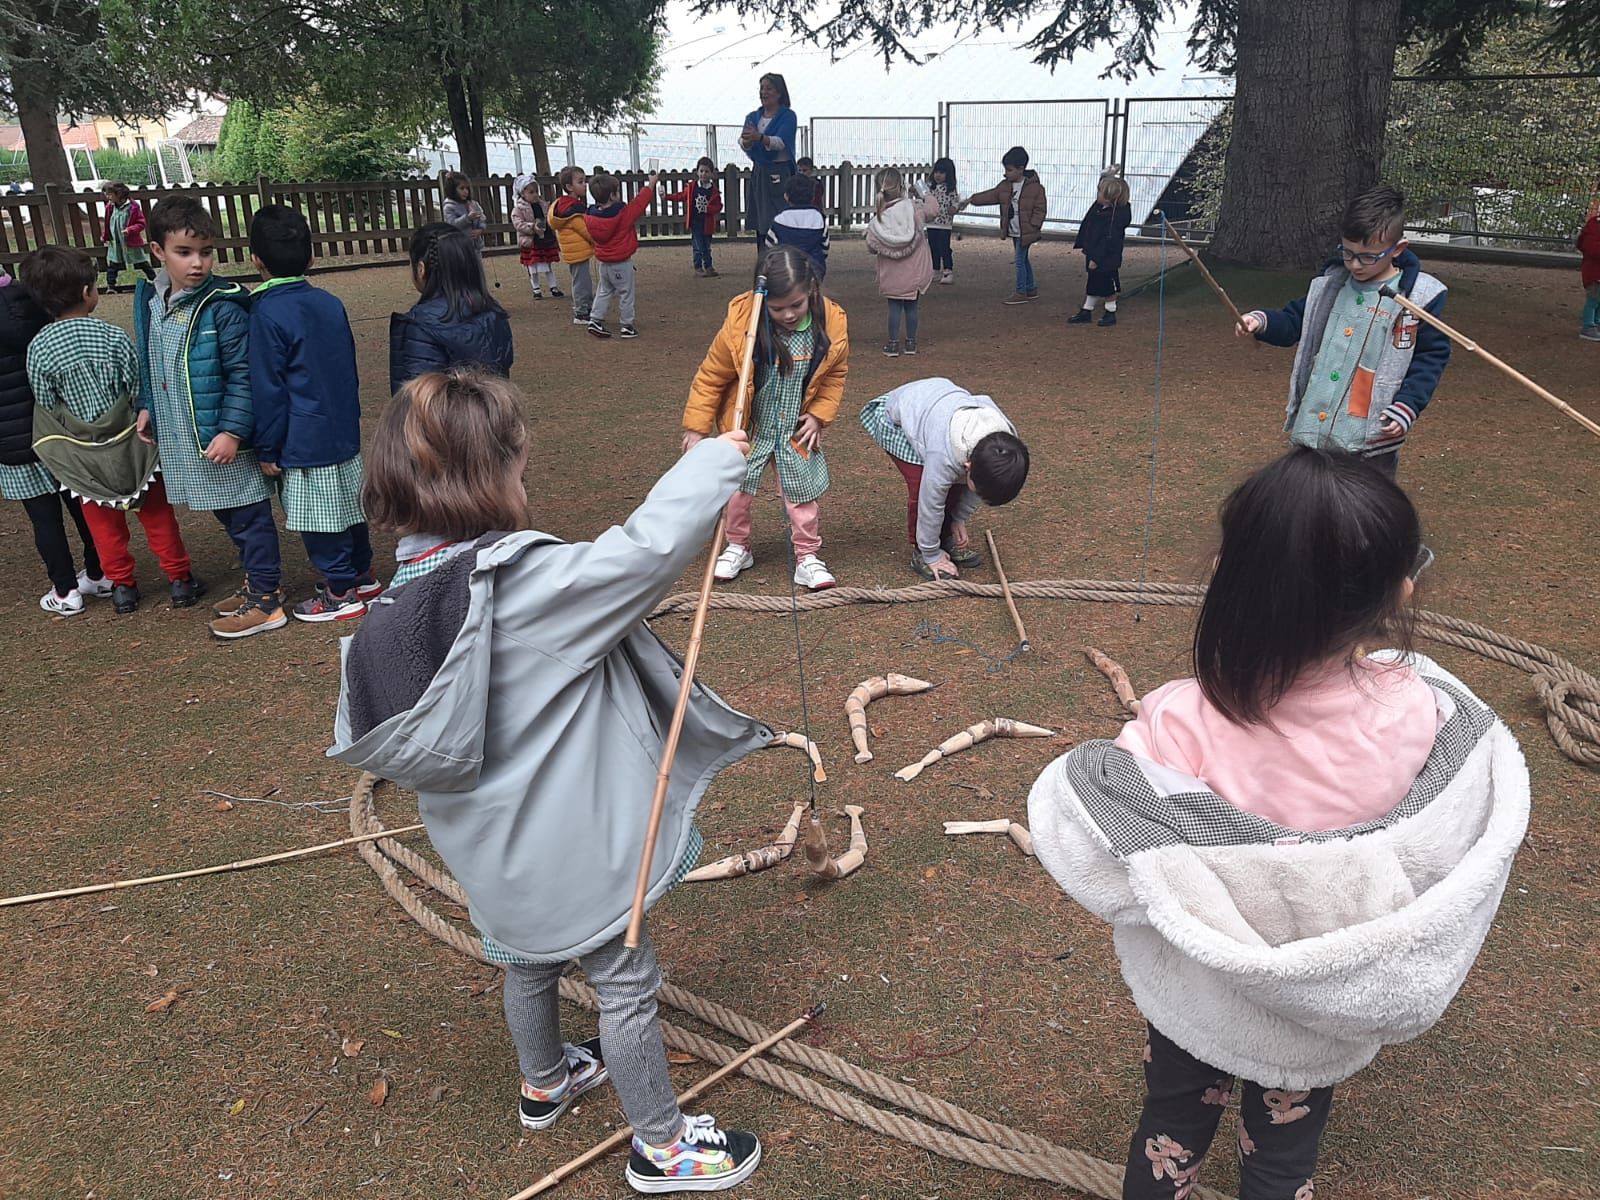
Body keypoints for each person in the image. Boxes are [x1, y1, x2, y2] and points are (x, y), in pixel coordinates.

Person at [1025, 447, 1528, 1200]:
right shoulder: (1420, 712)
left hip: (1204, 994)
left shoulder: (1179, 722)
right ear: (1400, 590)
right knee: (1285, 1154)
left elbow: (1107, 846)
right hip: (1318, 1002)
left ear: (1229, 570)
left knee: (1171, 1126)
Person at [329, 368, 766, 1195]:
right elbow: (638, 558)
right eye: (519, 466)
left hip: (488, 857)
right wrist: (712, 465)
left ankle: (545, 1080)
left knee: (523, 959)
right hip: (571, 854)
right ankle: (662, 1147)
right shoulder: (513, 586)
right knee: (626, 981)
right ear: (492, 475)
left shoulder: (389, 612)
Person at [134, 196, 284, 639]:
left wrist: (234, 431)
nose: (197, 264)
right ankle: (254, 581)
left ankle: (267, 598)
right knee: (226, 514)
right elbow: (153, 359)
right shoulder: (153, 299)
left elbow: (244, 374)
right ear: (158, 251)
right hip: (187, 435)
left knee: (248, 516)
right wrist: (148, 404)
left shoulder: (221, 306)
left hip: (222, 438)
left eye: (205, 252)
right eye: (184, 252)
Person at [22, 246, 198, 618]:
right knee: (157, 515)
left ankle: (122, 587)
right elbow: (136, 389)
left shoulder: (38, 348)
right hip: (133, 444)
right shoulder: (112, 337)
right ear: (88, 292)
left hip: (83, 455)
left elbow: (46, 401)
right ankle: (179, 578)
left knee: (104, 525)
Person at [1237, 184, 1449, 478]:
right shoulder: (1329, 287)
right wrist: (1260, 322)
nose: (1354, 264)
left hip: (1371, 438)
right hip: (1313, 431)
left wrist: (1407, 406)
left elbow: (1430, 357)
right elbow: (1293, 321)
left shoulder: (1419, 298)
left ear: (1397, 249)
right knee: (1307, 506)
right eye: (1347, 253)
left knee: (1364, 514)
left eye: (1368, 256)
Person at [681, 244, 847, 592]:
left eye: (796, 305)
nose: (787, 314)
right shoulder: (742, 327)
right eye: (777, 308)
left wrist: (818, 416)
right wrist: (697, 428)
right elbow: (711, 377)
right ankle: (738, 546)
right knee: (737, 493)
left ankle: (807, 557)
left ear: (812, 291)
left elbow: (834, 375)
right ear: (762, 300)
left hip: (795, 429)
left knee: (802, 496)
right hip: (749, 428)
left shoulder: (830, 324)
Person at [246, 205, 384, 623]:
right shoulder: (328, 302)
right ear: (311, 257)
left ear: (256, 259)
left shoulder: (266, 312)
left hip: (302, 438)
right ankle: (362, 574)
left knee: (319, 517)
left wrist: (267, 447)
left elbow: (268, 389)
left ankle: (339, 589)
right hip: (341, 425)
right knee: (347, 505)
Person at [0, 264, 110, 617]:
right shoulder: (31, 297)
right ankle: (100, 571)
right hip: (57, 428)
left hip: (12, 438)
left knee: (43, 519)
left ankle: (65, 591)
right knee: (80, 504)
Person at [858, 377, 1028, 579]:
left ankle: (945, 536)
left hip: (938, 403)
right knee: (923, 484)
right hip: (900, 415)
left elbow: (978, 487)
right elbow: (930, 503)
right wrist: (932, 555)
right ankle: (924, 552)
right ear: (968, 466)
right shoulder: (943, 455)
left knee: (955, 484)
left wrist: (958, 519)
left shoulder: (1005, 441)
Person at [390, 223, 513, 393]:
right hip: (491, 416)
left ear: (420, 269)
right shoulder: (493, 314)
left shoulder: (421, 325)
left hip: (443, 417)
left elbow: (418, 398)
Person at [865, 167, 939, 358]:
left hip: (891, 274)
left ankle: (892, 343)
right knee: (912, 306)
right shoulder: (914, 208)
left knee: (894, 307)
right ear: (902, 186)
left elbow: (872, 247)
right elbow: (933, 211)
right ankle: (911, 343)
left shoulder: (878, 219)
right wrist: (926, 193)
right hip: (914, 271)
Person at [962, 146, 1047, 305]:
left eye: (1009, 170)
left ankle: (1021, 291)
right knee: (1023, 258)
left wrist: (1034, 225)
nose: (1006, 173)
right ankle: (1030, 287)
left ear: (1021, 169)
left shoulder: (1035, 188)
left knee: (1020, 260)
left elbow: (1040, 209)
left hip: (1025, 230)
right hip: (1016, 230)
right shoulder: (1006, 186)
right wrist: (972, 200)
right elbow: (990, 195)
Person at [585, 170, 659, 340]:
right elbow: (640, 203)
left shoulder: (590, 216)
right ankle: (627, 325)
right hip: (621, 262)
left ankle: (595, 319)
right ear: (612, 195)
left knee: (604, 291)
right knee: (626, 293)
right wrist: (651, 184)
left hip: (603, 263)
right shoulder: (622, 214)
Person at [1068, 170, 1132, 326]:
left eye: (1100, 192)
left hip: (1105, 257)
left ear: (1110, 197)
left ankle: (1110, 311)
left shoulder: (1113, 218)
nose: (1097, 194)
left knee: (1107, 286)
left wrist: (1096, 258)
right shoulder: (1101, 209)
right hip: (1094, 252)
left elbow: (1108, 241)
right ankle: (1087, 309)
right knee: (1093, 282)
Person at [740, 73, 797, 241]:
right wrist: (747, 142)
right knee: (761, 220)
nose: (763, 92)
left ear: (779, 93)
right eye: (762, 88)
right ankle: (764, 260)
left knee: (781, 216)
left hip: (780, 172)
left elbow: (780, 143)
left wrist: (759, 138)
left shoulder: (788, 116)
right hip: (760, 172)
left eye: (769, 88)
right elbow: (744, 141)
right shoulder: (753, 117)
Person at [549, 166, 596, 326]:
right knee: (582, 282)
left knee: (582, 280)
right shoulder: (572, 210)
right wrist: (598, 241)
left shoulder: (565, 206)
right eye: (581, 182)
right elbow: (586, 230)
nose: (585, 185)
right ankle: (582, 312)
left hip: (574, 250)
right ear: (569, 187)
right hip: (577, 251)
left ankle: (585, 308)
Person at [665, 157, 723, 277]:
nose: (703, 174)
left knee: (706, 246)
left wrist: (709, 209)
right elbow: (681, 196)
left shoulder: (714, 191)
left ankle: (708, 266)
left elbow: (719, 206)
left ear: (711, 173)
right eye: (701, 171)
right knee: (697, 246)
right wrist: (666, 197)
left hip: (707, 223)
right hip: (696, 222)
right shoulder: (692, 187)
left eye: (706, 171)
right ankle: (698, 267)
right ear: (697, 172)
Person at [764, 173, 829, 278]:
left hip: (786, 270)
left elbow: (770, 246)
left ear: (786, 196)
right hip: (814, 270)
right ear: (812, 196)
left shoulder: (780, 219)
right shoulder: (818, 218)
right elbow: (825, 248)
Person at [511, 175, 563, 301]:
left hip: (544, 239)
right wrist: (532, 227)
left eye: (536, 192)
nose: (535, 195)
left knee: (548, 264)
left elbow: (548, 217)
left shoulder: (542, 205)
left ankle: (553, 287)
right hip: (531, 241)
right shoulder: (519, 209)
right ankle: (536, 288)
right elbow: (518, 224)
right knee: (532, 265)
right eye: (531, 192)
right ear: (522, 193)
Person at [100, 182, 154, 292]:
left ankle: (155, 280)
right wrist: (105, 236)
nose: (107, 197)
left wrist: (130, 230)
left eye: (110, 194)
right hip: (116, 242)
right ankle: (111, 286)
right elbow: (107, 223)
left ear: (119, 194)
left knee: (141, 261)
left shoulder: (133, 207)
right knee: (113, 264)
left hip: (130, 241)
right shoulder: (110, 207)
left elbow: (141, 223)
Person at [922, 157, 963, 285]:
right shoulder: (930, 188)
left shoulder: (950, 190)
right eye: (936, 172)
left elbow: (956, 202)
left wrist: (954, 208)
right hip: (931, 222)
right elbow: (924, 198)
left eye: (942, 172)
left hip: (945, 224)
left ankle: (948, 270)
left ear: (948, 174)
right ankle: (934, 269)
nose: (938, 175)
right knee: (932, 246)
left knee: (944, 247)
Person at [442, 171, 487, 256]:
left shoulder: (473, 204)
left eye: (467, 188)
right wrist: (467, 218)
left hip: (475, 247)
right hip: (459, 248)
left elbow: (482, 218)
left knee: (478, 268)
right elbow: (451, 224)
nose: (466, 191)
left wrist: (480, 230)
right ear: (452, 189)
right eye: (462, 188)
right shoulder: (449, 207)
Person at [1576, 192, 1600, 341]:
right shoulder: (1594, 225)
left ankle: (1596, 323)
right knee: (1593, 300)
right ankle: (1588, 326)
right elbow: (1591, 248)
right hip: (1595, 273)